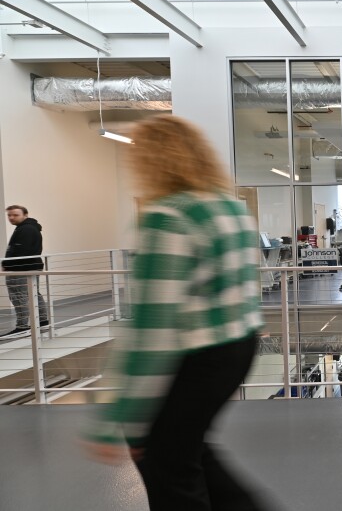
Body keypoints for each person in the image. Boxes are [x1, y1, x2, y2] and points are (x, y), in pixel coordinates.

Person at [83, 116, 269, 510]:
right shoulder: (230, 209)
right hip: (239, 347)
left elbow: (153, 329)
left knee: (168, 469)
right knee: (188, 450)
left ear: (151, 160)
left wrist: (118, 417)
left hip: (196, 356)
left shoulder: (167, 217)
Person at [2, 205, 48, 338]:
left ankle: (22, 327)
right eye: (9, 215)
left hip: (21, 268)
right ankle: (43, 322)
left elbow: (19, 251)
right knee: (33, 294)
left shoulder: (25, 229)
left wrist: (6, 264)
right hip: (31, 266)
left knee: (18, 296)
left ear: (25, 215)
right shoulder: (30, 227)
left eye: (15, 215)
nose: (11, 217)